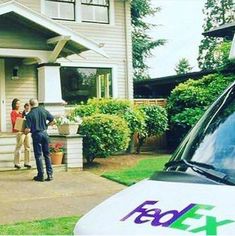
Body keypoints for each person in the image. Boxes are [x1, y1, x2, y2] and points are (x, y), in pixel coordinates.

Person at [25, 98, 55, 182]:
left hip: (36, 135)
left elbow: (27, 129)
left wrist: (24, 132)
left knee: (38, 156)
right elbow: (53, 120)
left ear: (30, 105)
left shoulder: (29, 115)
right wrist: (46, 126)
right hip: (45, 134)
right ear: (37, 103)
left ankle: (40, 175)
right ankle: (50, 175)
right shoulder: (43, 110)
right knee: (47, 155)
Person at [10, 98, 31, 169]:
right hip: (19, 132)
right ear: (14, 104)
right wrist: (22, 120)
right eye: (17, 103)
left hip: (26, 131)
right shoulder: (13, 112)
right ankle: (17, 163)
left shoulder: (21, 113)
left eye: (19, 103)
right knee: (19, 147)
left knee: (27, 147)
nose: (18, 105)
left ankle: (27, 162)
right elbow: (14, 122)